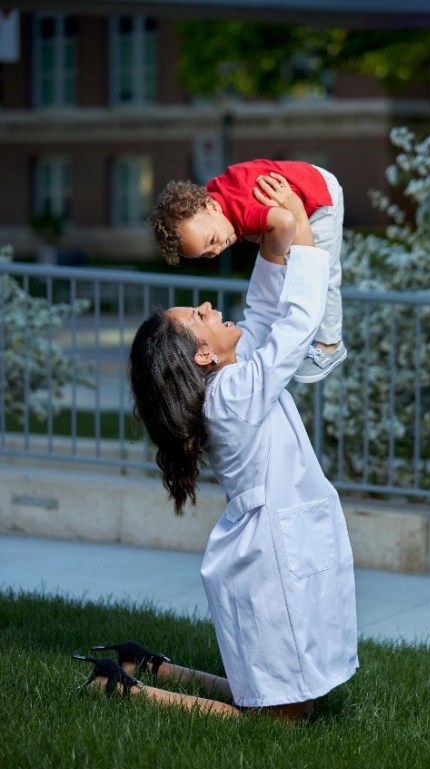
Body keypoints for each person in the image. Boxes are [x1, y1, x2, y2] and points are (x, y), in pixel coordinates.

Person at [79, 177, 358, 722]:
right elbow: (296, 327)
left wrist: (275, 232)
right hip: (272, 554)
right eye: (199, 316)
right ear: (203, 356)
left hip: (276, 542)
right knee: (282, 719)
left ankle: (154, 666)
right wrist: (301, 226)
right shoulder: (231, 395)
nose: (209, 305)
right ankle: (122, 688)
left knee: (293, 694)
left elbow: (264, 311)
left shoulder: (230, 377)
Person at [147, 158, 347, 384]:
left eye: (212, 240)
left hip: (319, 199)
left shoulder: (243, 211)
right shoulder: (209, 201)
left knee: (326, 275)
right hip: (307, 182)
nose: (217, 250)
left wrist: (283, 252)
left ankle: (330, 345)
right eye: (208, 253)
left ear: (213, 207)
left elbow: (286, 221)